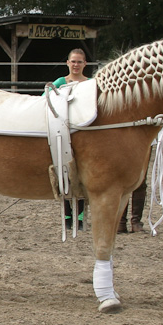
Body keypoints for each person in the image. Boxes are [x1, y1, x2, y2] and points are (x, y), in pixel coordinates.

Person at [51, 48, 89, 229]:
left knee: (81, 177)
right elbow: (45, 100)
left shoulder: (90, 84)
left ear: (84, 64)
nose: (76, 65)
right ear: (68, 63)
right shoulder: (60, 82)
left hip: (84, 134)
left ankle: (80, 216)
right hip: (64, 133)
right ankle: (67, 215)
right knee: (65, 174)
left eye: (79, 62)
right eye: (73, 61)